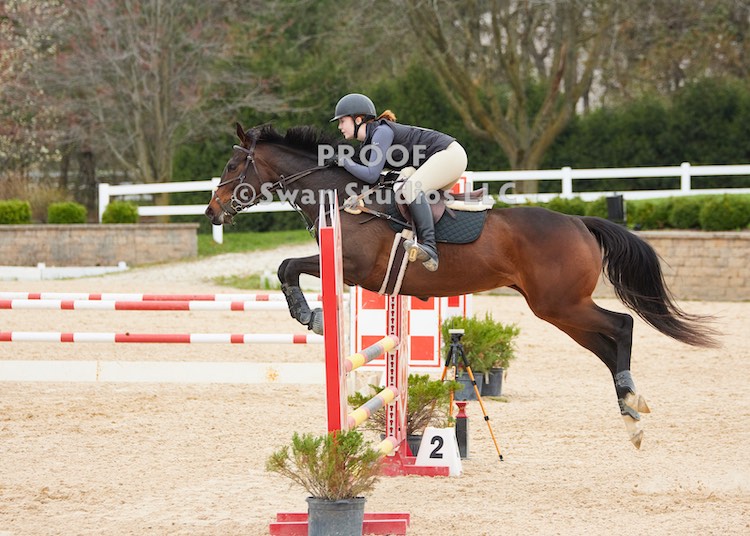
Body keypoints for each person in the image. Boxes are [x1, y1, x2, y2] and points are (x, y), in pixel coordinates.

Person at [330, 93, 468, 272]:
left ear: (358, 119)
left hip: (450, 156)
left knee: (410, 189)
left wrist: (344, 161)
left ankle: (429, 246)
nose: (340, 127)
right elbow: (367, 174)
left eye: (342, 121)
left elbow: (371, 175)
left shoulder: (382, 132)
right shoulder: (370, 142)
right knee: (400, 184)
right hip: (435, 161)